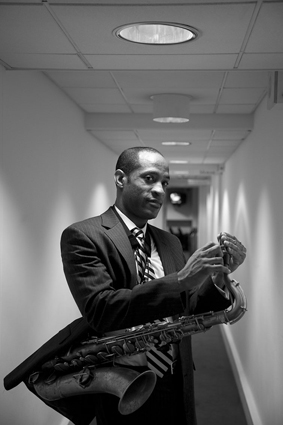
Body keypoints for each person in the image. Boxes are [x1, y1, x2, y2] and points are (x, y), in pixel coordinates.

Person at [4, 147, 247, 425]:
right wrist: (180, 280)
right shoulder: (83, 236)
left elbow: (185, 307)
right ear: (121, 179)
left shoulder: (170, 242)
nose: (160, 190)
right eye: (149, 178)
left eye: (165, 183)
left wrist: (217, 279)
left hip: (174, 375)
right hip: (119, 385)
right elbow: (101, 310)